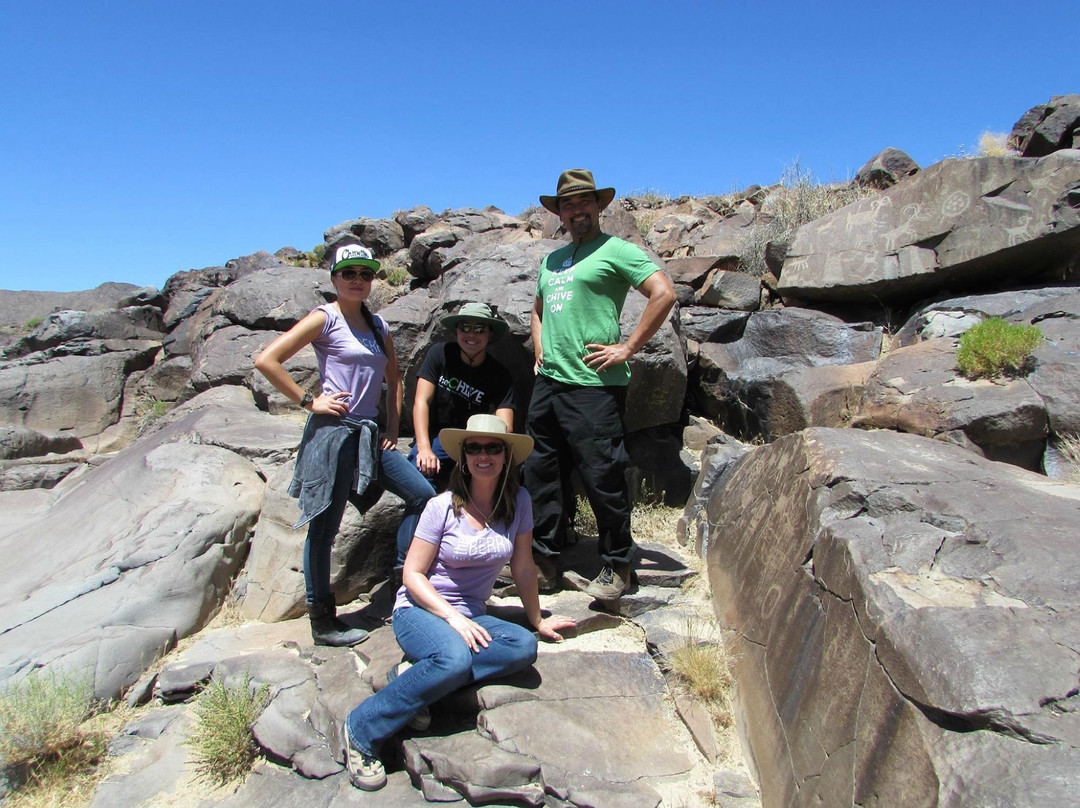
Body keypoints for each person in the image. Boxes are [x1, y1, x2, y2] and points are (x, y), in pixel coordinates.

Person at [339, 414, 576, 791]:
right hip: (420, 610)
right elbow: (413, 575)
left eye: (493, 447)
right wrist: (452, 617)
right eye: (474, 448)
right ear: (464, 457)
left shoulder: (519, 502)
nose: (484, 455)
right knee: (454, 658)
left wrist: (536, 619)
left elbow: (525, 566)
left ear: (506, 456)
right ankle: (361, 730)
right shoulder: (442, 506)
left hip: (472, 614)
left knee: (522, 646)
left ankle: (415, 678)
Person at [255, 243, 435, 647]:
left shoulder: (377, 326)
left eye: (365, 274)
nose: (358, 280)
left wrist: (391, 426)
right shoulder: (326, 318)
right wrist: (308, 401)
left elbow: (396, 378)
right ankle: (322, 621)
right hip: (334, 433)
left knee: (422, 494)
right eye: (349, 273)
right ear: (334, 278)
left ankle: (403, 577)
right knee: (324, 528)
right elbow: (267, 359)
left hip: (370, 434)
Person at [525, 169, 677, 600]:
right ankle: (544, 560)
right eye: (568, 204)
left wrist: (627, 347)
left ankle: (617, 565)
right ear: (560, 212)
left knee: (602, 476)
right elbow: (538, 309)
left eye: (583, 202)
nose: (576, 210)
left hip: (594, 386)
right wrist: (540, 350)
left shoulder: (617, 250)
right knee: (542, 474)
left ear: (599, 206)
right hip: (549, 385)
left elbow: (663, 292)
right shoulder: (552, 260)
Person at [409, 302, 515, 490]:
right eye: (465, 327)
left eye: (480, 329)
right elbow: (421, 401)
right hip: (437, 438)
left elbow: (505, 427)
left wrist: (478, 457)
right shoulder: (439, 354)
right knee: (419, 480)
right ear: (456, 331)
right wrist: (424, 448)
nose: (471, 335)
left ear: (489, 335)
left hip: (473, 442)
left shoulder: (500, 375)